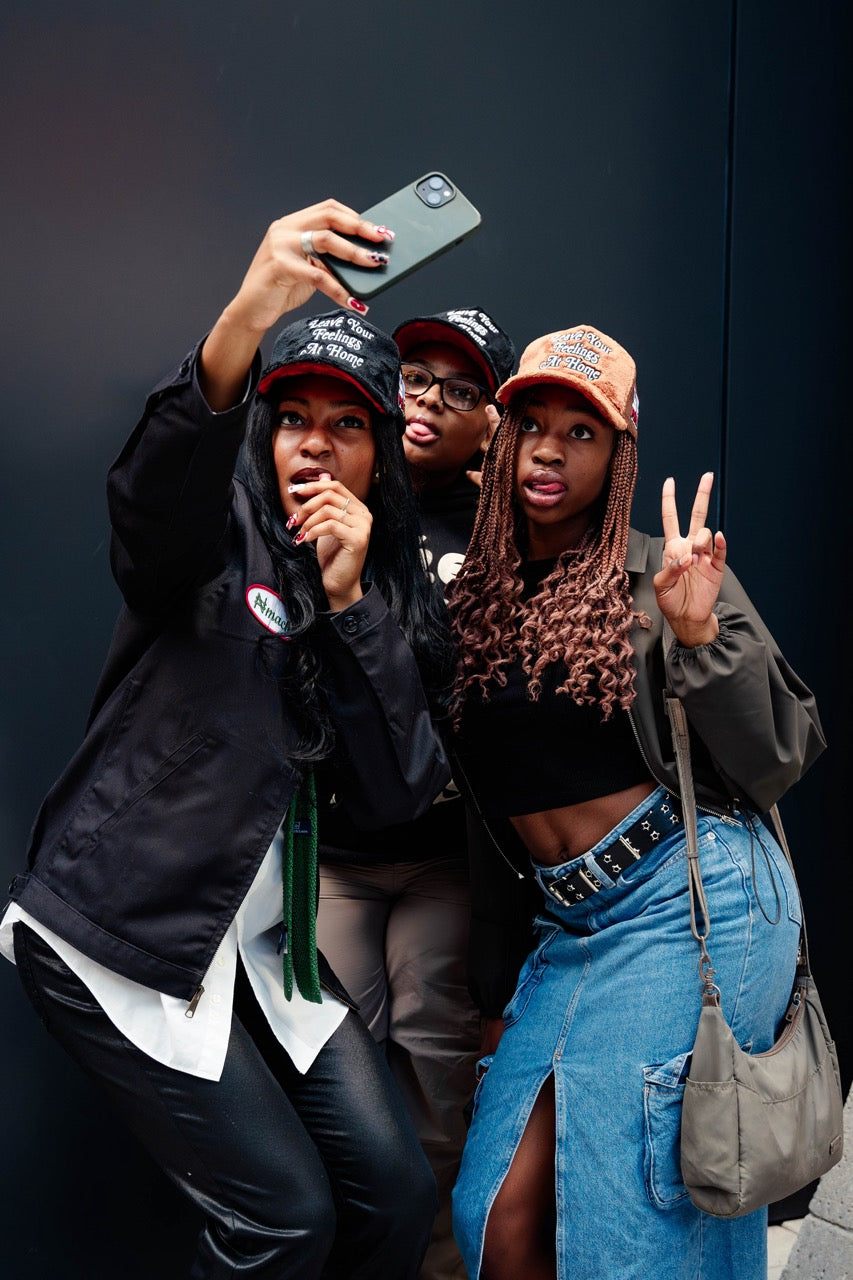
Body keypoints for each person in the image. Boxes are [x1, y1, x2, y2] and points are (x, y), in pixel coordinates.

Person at [0, 200, 454, 1280]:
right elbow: (152, 502)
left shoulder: (381, 588)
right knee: (282, 1219)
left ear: (379, 456)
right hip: (118, 925)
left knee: (396, 1192)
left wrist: (349, 604)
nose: (316, 443)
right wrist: (246, 316)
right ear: (264, 432)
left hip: (261, 945)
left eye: (347, 425)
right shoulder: (213, 532)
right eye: (292, 417)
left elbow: (397, 793)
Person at [446, 325, 826, 1280]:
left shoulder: (665, 575)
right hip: (570, 922)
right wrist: (492, 984)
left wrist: (698, 639)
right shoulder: (472, 598)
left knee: (626, 1235)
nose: (549, 450)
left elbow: (781, 755)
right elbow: (491, 819)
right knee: (496, 1216)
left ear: (619, 456)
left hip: (690, 899)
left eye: (581, 433)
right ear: (501, 439)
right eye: (532, 425)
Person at [316, 308, 516, 1280]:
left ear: (492, 423)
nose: (429, 399)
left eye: (460, 388)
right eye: (413, 376)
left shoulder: (507, 526)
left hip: (444, 857)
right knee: (337, 1076)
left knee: (438, 1076)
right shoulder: (337, 491)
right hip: (337, 851)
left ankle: (434, 1267)